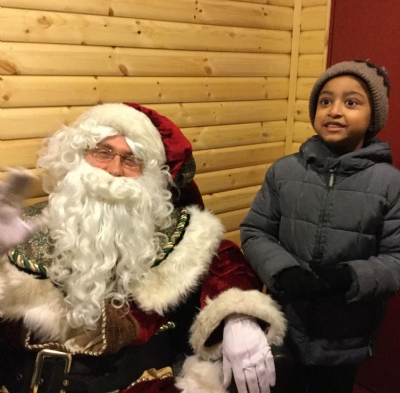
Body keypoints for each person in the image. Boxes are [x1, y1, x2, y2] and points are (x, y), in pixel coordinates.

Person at [0, 102, 287, 393]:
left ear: (149, 175)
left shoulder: (175, 232)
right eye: (103, 152)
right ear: (78, 156)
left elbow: (227, 264)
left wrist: (238, 317)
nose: (114, 170)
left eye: (131, 160)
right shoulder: (23, 230)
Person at [240, 60, 400, 393]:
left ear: (373, 118)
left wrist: (349, 277)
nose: (335, 110)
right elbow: (255, 231)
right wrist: (282, 271)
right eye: (326, 101)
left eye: (351, 102)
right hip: (283, 324)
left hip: (344, 337)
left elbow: (396, 258)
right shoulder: (284, 172)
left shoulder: (390, 185)